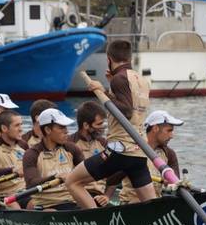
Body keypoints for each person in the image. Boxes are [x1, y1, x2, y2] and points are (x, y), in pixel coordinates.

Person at [65, 40, 154, 208]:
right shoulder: (141, 80)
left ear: (108, 59)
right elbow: (131, 105)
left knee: (72, 181)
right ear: (129, 58)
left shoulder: (118, 79)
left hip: (120, 151)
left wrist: (102, 90)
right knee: (151, 204)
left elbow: (126, 112)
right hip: (140, 152)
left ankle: (96, 223)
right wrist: (110, 85)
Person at [23, 109, 84, 210]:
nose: (67, 131)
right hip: (47, 204)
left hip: (71, 200)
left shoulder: (71, 148)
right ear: (47, 130)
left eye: (66, 127)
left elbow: (86, 173)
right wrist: (55, 177)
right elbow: (31, 184)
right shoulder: (32, 154)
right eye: (61, 127)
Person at [118, 110, 183, 203]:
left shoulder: (169, 153)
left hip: (155, 203)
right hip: (130, 205)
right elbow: (112, 180)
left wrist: (170, 182)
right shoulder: (132, 149)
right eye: (169, 130)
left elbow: (176, 182)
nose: (172, 136)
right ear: (155, 128)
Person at [69, 101, 113, 207]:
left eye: (103, 123)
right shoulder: (69, 145)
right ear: (85, 125)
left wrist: (107, 196)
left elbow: (114, 172)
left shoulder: (103, 143)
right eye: (99, 124)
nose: (102, 127)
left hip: (100, 195)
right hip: (78, 195)